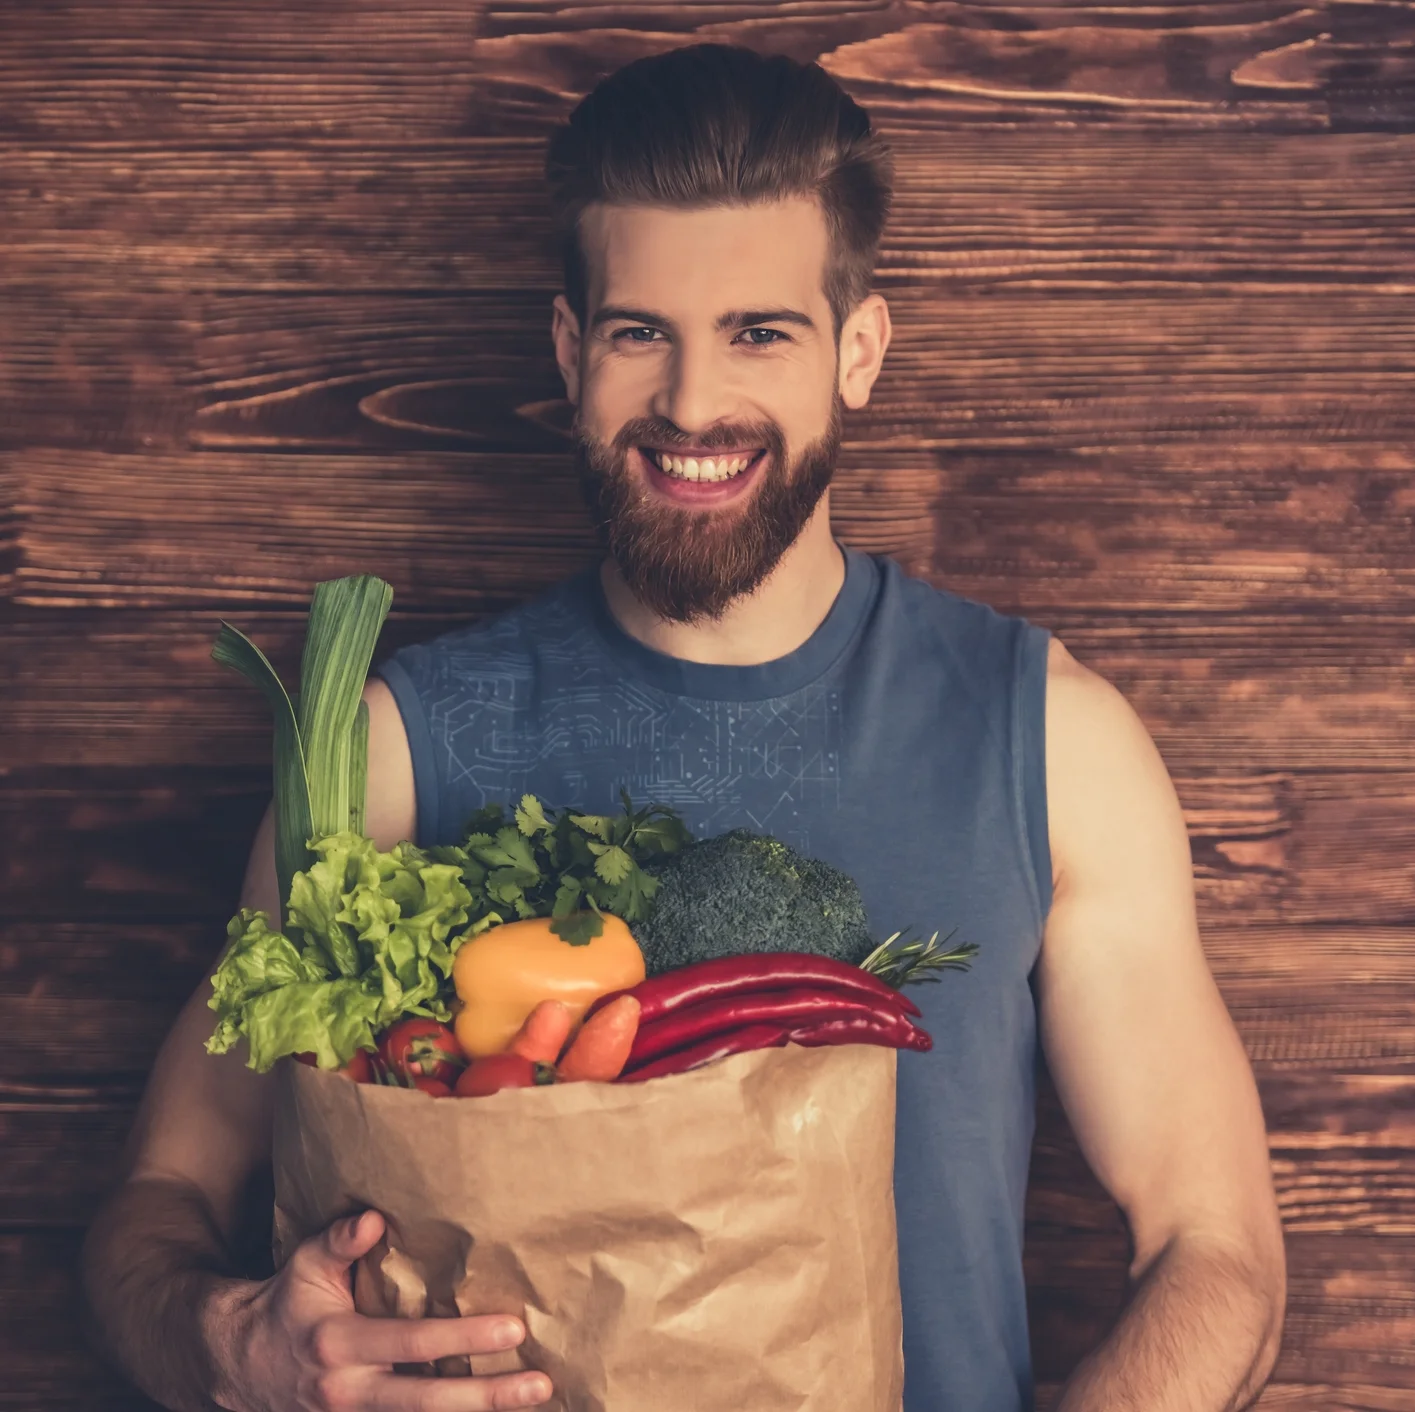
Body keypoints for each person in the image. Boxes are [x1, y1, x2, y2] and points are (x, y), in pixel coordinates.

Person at [82, 42, 1286, 1412]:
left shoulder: (1048, 742)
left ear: (859, 352)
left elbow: (1216, 1252)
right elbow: (156, 1199)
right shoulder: (393, 753)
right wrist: (233, 1345)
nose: (692, 404)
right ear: (567, 352)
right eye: (638, 331)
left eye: (758, 332)